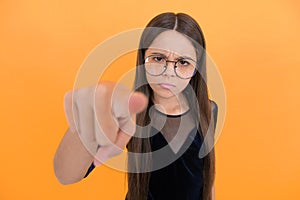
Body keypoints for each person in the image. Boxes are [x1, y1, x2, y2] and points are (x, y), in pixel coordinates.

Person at [54, 12, 218, 200]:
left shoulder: (209, 110)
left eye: (183, 62)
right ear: (143, 58)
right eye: (158, 58)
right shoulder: (128, 115)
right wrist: (88, 120)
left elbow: (208, 176)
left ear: (196, 67)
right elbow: (67, 174)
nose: (169, 73)